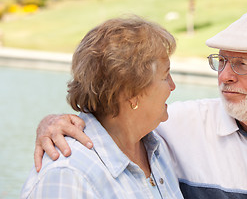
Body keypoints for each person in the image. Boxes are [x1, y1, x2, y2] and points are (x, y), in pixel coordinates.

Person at [33, 8, 247, 198]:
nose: (225, 76)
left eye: (242, 64)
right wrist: (53, 123)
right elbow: (109, 113)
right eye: (222, 61)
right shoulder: (172, 126)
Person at [21, 16, 184, 198]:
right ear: (132, 92)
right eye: (165, 76)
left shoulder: (156, 148)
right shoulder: (68, 175)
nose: (172, 85)